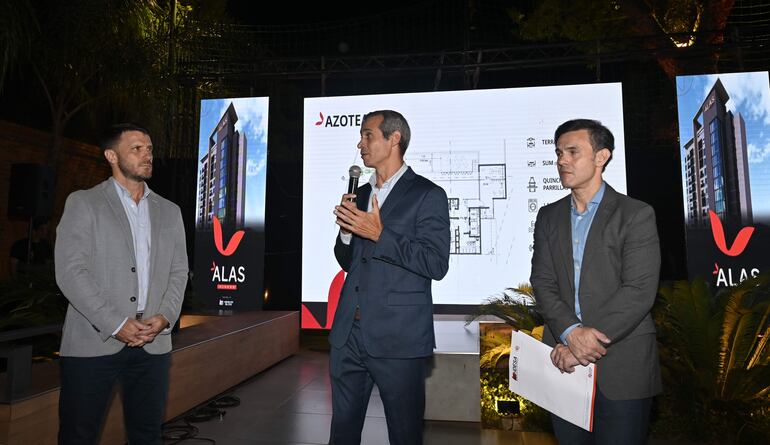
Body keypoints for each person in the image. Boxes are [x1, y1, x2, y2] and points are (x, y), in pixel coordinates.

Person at [54, 123, 189, 444]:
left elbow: (179, 272)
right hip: (93, 342)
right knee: (78, 435)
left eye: (150, 149)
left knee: (147, 435)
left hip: (153, 343)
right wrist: (116, 323)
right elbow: (71, 272)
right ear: (111, 155)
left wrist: (165, 317)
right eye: (137, 149)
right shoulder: (84, 203)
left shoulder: (170, 211)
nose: (148, 156)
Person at [530, 119, 661, 444]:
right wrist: (571, 334)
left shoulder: (635, 214)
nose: (562, 160)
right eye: (559, 152)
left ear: (601, 156)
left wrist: (582, 346)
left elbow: (639, 291)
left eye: (573, 151)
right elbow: (542, 282)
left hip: (623, 366)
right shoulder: (548, 216)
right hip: (564, 364)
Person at [330, 110, 450, 445]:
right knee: (342, 431)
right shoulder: (363, 194)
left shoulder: (427, 194)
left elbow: (436, 262)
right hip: (348, 333)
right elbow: (347, 261)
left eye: (368, 135)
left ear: (393, 139)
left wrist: (380, 234)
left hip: (398, 337)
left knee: (404, 433)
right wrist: (346, 234)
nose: (360, 143)